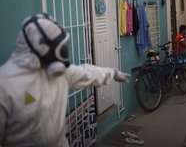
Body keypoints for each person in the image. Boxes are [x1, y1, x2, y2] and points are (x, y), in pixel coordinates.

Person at [0, 13, 130, 147]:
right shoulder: (5, 85)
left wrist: (113, 73)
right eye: (57, 47)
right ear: (40, 47)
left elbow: (88, 73)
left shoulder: (59, 74)